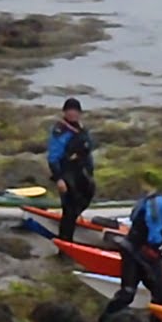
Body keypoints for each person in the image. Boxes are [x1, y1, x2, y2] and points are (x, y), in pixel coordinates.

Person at [97, 171, 162, 322]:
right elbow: (154, 233)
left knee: (161, 292)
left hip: (148, 252)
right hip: (134, 250)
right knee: (127, 293)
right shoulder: (158, 203)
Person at [47, 97, 96, 243]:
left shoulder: (82, 130)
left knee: (87, 195)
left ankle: (72, 224)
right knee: (69, 208)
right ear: (65, 112)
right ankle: (64, 243)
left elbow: (87, 152)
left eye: (75, 111)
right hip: (66, 174)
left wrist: (90, 171)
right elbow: (53, 157)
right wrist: (59, 179)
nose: (73, 114)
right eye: (70, 111)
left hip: (81, 173)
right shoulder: (60, 131)